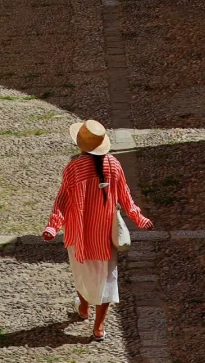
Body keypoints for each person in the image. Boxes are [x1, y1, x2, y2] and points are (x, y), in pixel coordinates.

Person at [43, 118, 153, 342]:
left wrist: (52, 226)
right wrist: (139, 218)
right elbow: (126, 197)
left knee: (81, 274)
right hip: (105, 236)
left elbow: (63, 200)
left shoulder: (73, 168)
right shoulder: (114, 165)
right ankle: (99, 327)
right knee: (106, 280)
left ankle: (83, 308)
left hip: (78, 235)